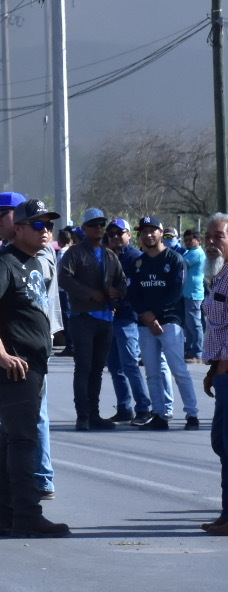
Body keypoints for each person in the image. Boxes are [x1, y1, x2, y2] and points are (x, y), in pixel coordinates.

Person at [0, 209, 68, 537]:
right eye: (38, 224)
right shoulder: (4, 261)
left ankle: (6, 516)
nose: (46, 230)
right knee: (24, 440)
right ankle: (27, 515)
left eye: (49, 225)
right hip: (15, 367)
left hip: (33, 365)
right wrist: (0, 353)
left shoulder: (36, 261)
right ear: (20, 228)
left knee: (11, 440)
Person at [129, 216, 200, 430]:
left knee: (178, 370)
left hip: (169, 322)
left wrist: (155, 315)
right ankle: (159, 415)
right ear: (139, 236)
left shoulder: (174, 259)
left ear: (161, 233)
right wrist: (145, 315)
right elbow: (133, 293)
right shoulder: (138, 263)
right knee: (152, 372)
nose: (148, 235)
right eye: (144, 232)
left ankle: (192, 415)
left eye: (153, 230)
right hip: (145, 324)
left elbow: (175, 292)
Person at [57, 210, 126, 429]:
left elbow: (123, 281)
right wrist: (89, 293)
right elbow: (64, 278)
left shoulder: (110, 255)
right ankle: (83, 416)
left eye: (101, 224)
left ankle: (94, 414)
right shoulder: (74, 253)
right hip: (82, 318)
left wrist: (116, 291)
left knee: (97, 369)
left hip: (105, 319)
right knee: (84, 367)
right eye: (94, 224)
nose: (98, 228)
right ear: (84, 228)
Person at [105, 219, 154, 424]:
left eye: (120, 233)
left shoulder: (135, 258)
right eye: (112, 233)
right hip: (109, 317)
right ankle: (124, 408)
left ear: (129, 235)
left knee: (129, 364)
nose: (116, 236)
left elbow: (135, 288)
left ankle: (143, 407)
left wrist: (120, 294)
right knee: (114, 366)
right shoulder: (106, 256)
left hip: (128, 317)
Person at [199, 213, 228, 536]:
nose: (211, 242)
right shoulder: (221, 275)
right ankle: (225, 513)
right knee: (221, 444)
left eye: (218, 236)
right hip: (221, 371)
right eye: (209, 236)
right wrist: (213, 368)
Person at [183, 228, 209, 362]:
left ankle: (197, 352)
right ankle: (189, 350)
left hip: (193, 293)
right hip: (187, 293)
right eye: (185, 240)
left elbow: (181, 265)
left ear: (198, 241)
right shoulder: (189, 252)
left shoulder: (197, 253)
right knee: (188, 324)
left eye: (190, 240)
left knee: (194, 324)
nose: (187, 242)